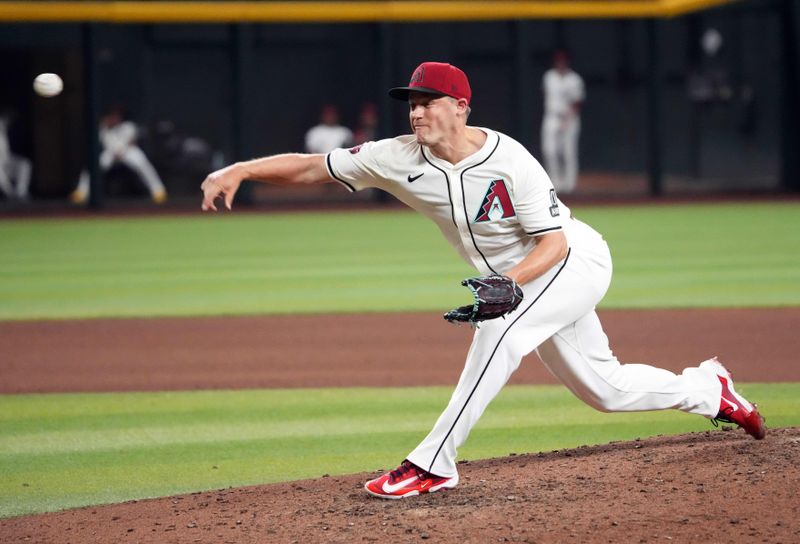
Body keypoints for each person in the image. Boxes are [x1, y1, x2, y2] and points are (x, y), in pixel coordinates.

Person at [200, 61, 765, 499]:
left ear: (460, 107)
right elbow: (310, 166)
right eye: (411, 103)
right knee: (606, 390)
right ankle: (708, 389)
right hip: (525, 281)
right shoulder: (393, 157)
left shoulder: (510, 159)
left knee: (500, 331)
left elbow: (555, 242)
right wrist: (241, 169)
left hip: (573, 262)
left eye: (427, 102)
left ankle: (432, 464)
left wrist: (510, 284)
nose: (416, 112)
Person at [70, 106, 167, 204]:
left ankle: (158, 191)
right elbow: (102, 143)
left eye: (117, 116)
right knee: (93, 165)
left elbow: (132, 142)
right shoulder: (103, 128)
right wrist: (105, 125)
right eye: (112, 116)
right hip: (111, 153)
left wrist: (122, 151)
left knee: (143, 164)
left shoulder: (128, 126)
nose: (114, 118)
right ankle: (81, 193)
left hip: (128, 152)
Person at [541, 50, 584, 194]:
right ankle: (555, 182)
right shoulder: (549, 77)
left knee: (568, 152)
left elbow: (577, 103)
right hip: (552, 116)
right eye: (558, 61)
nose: (560, 63)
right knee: (549, 150)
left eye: (563, 61)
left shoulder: (574, 79)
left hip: (569, 118)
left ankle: (570, 185)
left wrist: (567, 120)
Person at [0, 109, 32, 201]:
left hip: (6, 163)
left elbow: (5, 154)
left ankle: (21, 193)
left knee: (24, 164)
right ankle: (11, 195)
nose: (6, 121)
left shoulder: (4, 131)